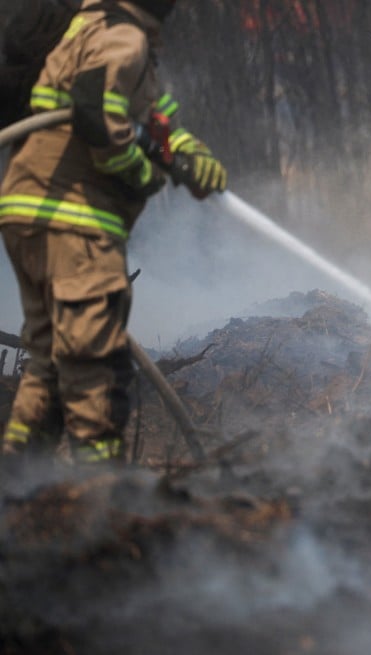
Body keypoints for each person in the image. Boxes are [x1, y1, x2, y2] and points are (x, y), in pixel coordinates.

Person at [0, 0, 228, 465]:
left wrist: (190, 156)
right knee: (94, 363)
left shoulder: (98, 30)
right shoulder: (123, 36)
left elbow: (156, 120)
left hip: (33, 212)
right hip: (73, 219)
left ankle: (21, 488)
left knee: (49, 362)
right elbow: (95, 114)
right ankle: (101, 494)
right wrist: (141, 176)